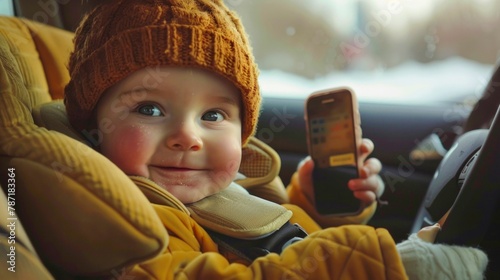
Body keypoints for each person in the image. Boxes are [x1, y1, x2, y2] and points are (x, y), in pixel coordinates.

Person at [64, 0, 488, 279]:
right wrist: (362, 262)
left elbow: (252, 244)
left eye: (213, 115)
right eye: (150, 109)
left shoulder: (219, 192)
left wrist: (310, 206)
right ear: (92, 125)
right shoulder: (132, 221)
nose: (187, 137)